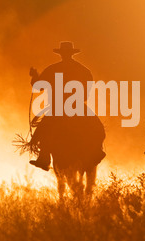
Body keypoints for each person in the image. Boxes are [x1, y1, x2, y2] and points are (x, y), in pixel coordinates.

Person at [28, 41, 106, 170]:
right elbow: (87, 93)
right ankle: (97, 151)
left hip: (57, 108)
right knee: (97, 128)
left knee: (43, 132)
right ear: (71, 54)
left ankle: (44, 158)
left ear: (61, 54)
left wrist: (34, 76)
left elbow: (38, 87)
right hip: (77, 106)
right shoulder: (84, 70)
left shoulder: (52, 69)